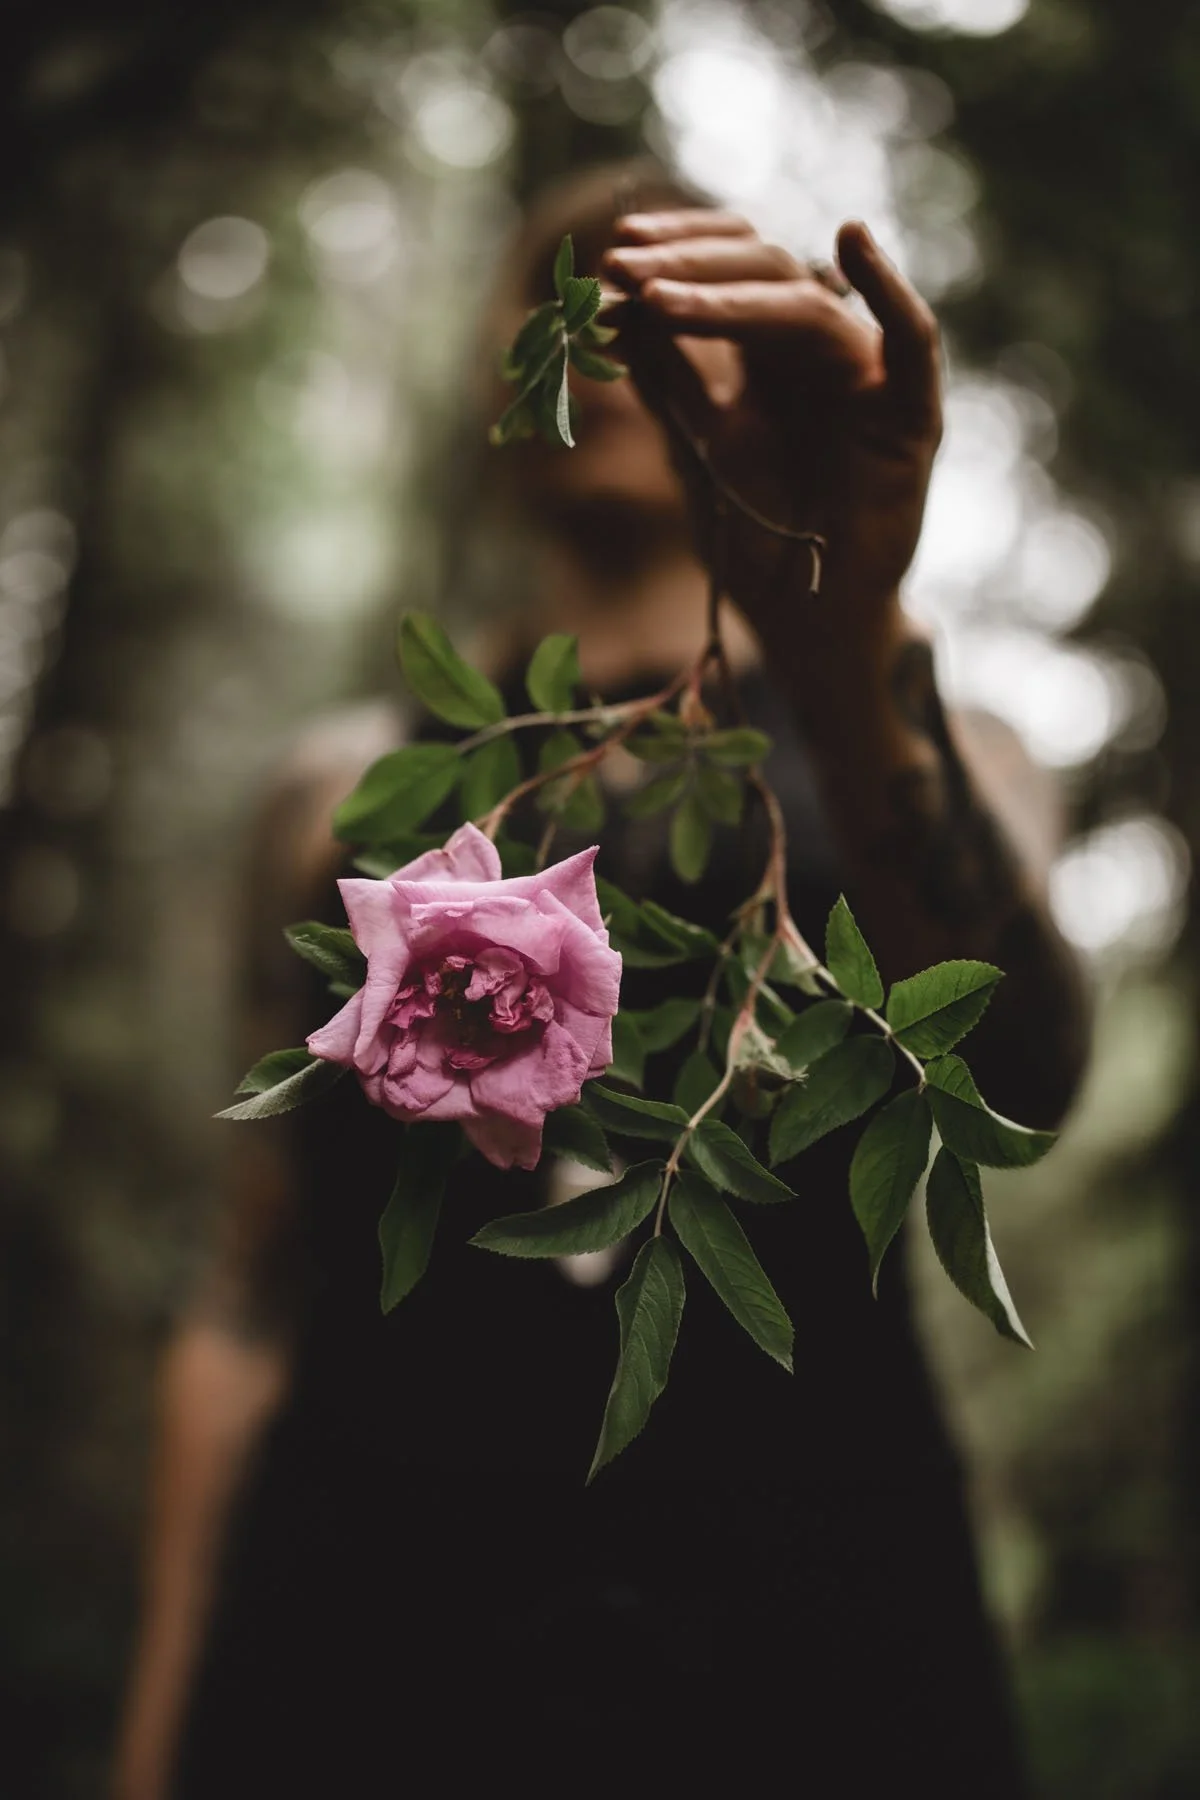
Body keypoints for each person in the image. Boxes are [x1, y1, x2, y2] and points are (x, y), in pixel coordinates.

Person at [111, 163, 1089, 1797]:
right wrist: (152, 1746)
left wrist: (844, 648)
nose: (620, 335)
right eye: (574, 297)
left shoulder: (937, 751)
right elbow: (247, 1293)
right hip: (355, 1655)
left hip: (819, 1663)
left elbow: (1027, 1079)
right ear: (513, 378)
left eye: (671, 305)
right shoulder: (338, 792)